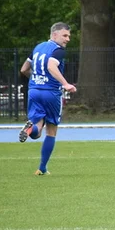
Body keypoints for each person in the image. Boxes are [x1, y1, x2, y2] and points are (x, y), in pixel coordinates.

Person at [18, 22, 77, 175]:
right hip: (50, 93)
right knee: (51, 131)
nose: (68, 39)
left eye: (69, 36)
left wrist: (36, 79)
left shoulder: (38, 47)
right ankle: (42, 168)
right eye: (65, 35)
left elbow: (24, 69)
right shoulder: (58, 50)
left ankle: (30, 128)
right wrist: (66, 84)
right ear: (54, 34)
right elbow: (51, 66)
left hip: (34, 91)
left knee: (37, 130)